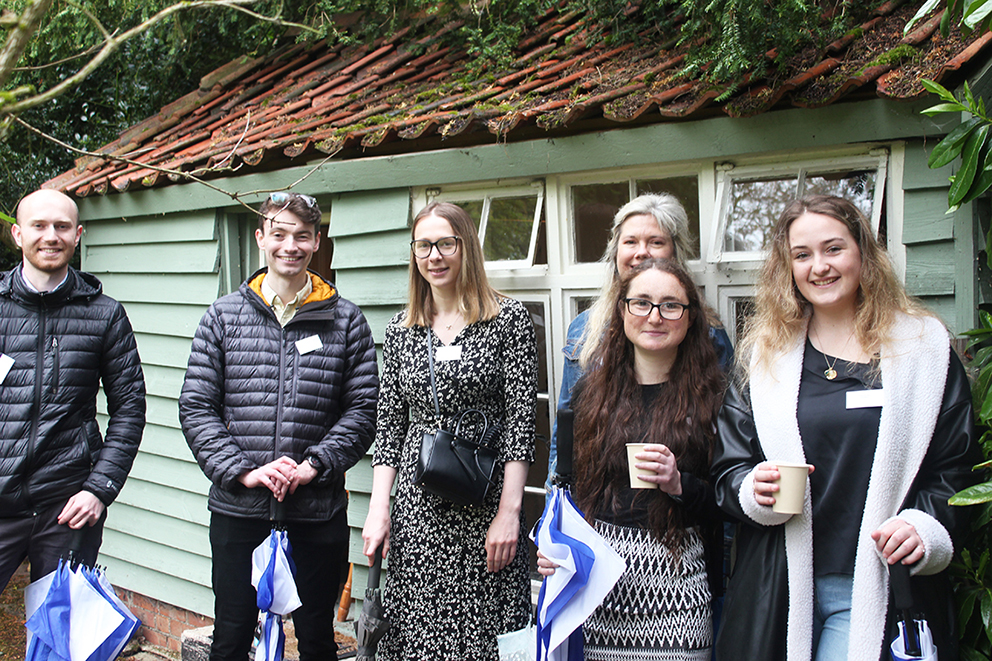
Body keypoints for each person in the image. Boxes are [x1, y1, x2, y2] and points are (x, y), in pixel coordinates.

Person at [711, 195, 980, 661]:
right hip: (779, 587)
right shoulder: (765, 356)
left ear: (863, 252)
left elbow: (955, 468)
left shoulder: (922, 349)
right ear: (788, 267)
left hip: (874, 581)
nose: (819, 266)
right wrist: (755, 487)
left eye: (833, 248)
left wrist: (923, 526)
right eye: (802, 255)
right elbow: (729, 468)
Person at [179, 192, 378, 661]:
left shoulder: (346, 321)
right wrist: (245, 471)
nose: (291, 245)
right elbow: (196, 407)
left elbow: (362, 410)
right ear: (261, 238)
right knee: (230, 637)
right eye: (280, 234)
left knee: (316, 639)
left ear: (317, 242)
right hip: (239, 509)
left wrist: (313, 466)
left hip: (316, 511)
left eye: (302, 236)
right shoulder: (223, 317)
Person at [361, 201, 537, 660]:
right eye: (424, 245)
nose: (434, 255)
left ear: (466, 248)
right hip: (420, 511)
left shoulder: (509, 321)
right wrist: (380, 509)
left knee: (491, 637)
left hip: (486, 503)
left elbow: (522, 422)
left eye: (445, 243)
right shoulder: (401, 330)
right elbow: (390, 425)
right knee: (419, 636)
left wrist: (509, 513)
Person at [537, 258, 726, 661]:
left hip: (677, 589)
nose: (654, 316)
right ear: (622, 310)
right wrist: (554, 544)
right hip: (598, 588)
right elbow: (571, 492)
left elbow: (729, 502)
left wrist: (679, 484)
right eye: (641, 302)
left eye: (670, 305)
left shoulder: (715, 398)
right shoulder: (591, 393)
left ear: (690, 318)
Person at [0, 189, 146, 591]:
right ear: (17, 234)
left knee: (58, 636)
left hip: (67, 507)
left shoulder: (104, 314)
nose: (51, 236)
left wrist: (99, 489)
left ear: (77, 234)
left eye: (62, 227)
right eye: (39, 226)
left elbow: (130, 409)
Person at [547, 193, 733, 490]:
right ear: (615, 252)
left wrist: (722, 533)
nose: (641, 252)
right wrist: (555, 502)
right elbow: (566, 430)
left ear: (675, 253)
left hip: (679, 508)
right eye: (630, 242)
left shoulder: (706, 332)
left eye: (656, 242)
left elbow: (726, 443)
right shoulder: (584, 329)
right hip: (597, 506)